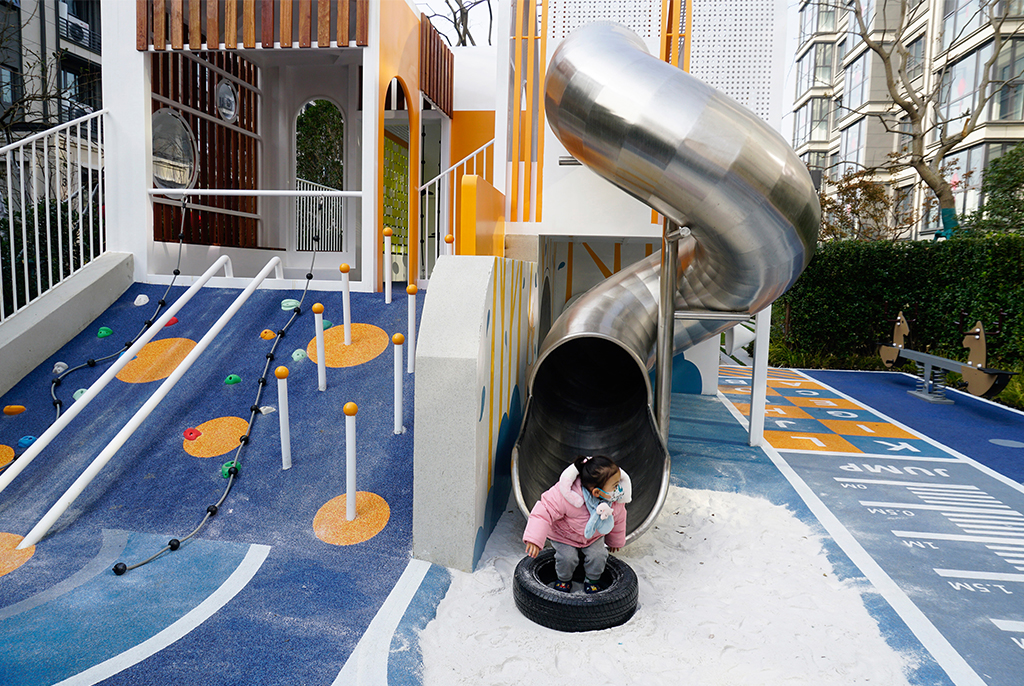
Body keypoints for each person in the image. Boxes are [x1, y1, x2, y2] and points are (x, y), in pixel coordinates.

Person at [523, 455, 631, 594]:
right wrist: (534, 539)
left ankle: (592, 580)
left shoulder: (613, 501)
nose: (619, 490)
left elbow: (619, 519)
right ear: (597, 492)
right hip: (564, 536)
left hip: (593, 537)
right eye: (615, 486)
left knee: (598, 556)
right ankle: (563, 579)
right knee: (567, 558)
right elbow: (544, 512)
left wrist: (614, 541)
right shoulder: (566, 495)